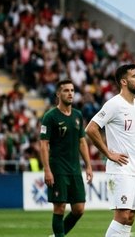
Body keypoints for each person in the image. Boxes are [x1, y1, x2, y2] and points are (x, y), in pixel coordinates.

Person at [86, 64, 135, 237]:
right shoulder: (114, 104)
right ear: (124, 82)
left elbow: (134, 132)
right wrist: (108, 154)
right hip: (120, 169)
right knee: (122, 215)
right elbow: (91, 128)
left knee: (131, 217)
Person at [40, 79, 93, 237]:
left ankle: (56, 235)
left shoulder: (77, 115)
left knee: (79, 209)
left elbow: (82, 142)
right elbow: (43, 145)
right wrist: (47, 170)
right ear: (58, 94)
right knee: (60, 208)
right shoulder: (50, 116)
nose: (70, 93)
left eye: (72, 90)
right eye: (66, 90)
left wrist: (89, 166)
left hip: (75, 169)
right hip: (58, 169)